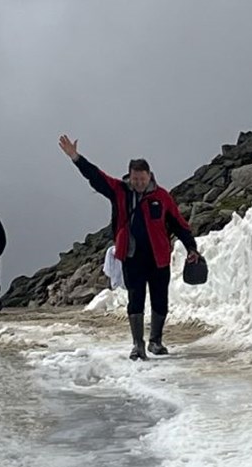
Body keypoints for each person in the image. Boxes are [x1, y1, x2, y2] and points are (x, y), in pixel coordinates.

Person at [58, 134, 200, 360]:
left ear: (149, 176)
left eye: (142, 179)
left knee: (160, 298)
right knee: (135, 299)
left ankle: (156, 341)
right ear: (130, 176)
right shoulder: (120, 191)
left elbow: (178, 223)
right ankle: (138, 344)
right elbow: (96, 177)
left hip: (159, 257)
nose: (139, 183)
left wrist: (191, 247)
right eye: (135, 178)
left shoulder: (162, 196)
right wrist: (75, 157)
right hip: (132, 257)